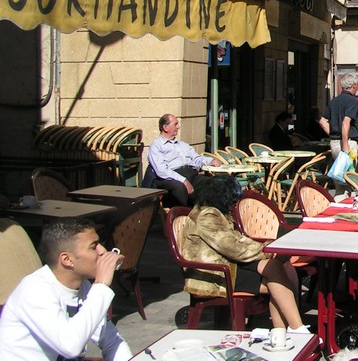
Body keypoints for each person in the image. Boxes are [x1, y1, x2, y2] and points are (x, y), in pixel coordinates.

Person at [182, 176, 308, 332]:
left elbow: (238, 239)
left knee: (275, 267)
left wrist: (266, 249)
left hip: (227, 264)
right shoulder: (207, 216)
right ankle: (293, 329)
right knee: (277, 281)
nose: (234, 205)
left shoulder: (214, 212)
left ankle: (286, 330)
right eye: (233, 201)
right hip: (214, 273)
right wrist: (267, 251)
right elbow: (233, 248)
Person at [0, 218, 130, 361]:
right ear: (67, 260)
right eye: (94, 247)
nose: (103, 251)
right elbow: (70, 347)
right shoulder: (35, 290)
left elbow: (112, 341)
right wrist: (101, 286)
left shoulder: (84, 286)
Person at [145, 113, 219, 206]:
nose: (178, 127)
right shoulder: (156, 146)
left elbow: (196, 158)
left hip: (190, 173)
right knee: (179, 187)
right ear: (165, 127)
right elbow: (161, 170)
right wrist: (183, 180)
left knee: (213, 183)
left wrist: (210, 161)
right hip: (170, 177)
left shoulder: (182, 145)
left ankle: (208, 214)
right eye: (175, 124)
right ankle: (182, 215)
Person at [320, 73, 358, 162]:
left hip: (334, 143)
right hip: (347, 142)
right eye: (356, 85)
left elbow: (322, 121)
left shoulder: (334, 100)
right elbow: (346, 122)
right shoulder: (352, 101)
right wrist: (345, 145)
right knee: (348, 174)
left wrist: (333, 134)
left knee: (339, 173)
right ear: (353, 86)